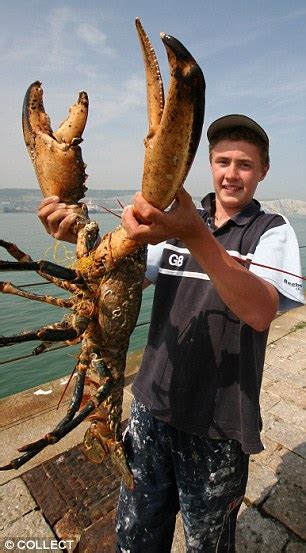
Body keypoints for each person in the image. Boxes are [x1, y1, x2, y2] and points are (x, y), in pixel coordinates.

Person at [38, 115, 304, 552]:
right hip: (150, 408)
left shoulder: (271, 231)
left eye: (245, 165)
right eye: (222, 161)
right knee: (136, 534)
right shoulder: (175, 224)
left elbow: (260, 312)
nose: (231, 174)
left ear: (263, 171)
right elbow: (120, 274)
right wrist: (77, 238)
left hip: (218, 423)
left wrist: (195, 235)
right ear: (209, 164)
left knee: (209, 543)